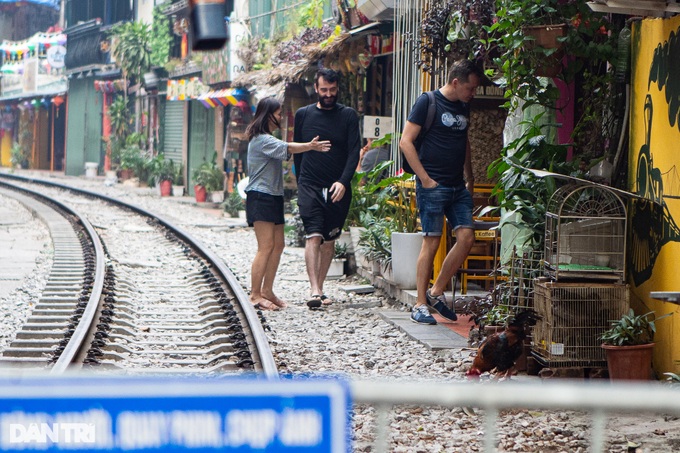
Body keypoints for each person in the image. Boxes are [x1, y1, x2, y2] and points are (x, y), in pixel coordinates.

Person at [399, 59, 484, 325]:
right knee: (431, 242)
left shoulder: (463, 106)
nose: (473, 94)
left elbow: (464, 140)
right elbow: (405, 141)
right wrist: (424, 179)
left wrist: (470, 176)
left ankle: (436, 292)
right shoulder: (428, 101)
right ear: (456, 82)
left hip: (458, 186)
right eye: (470, 88)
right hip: (433, 185)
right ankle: (420, 304)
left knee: (467, 237)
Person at [245, 97, 330, 310]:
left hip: (272, 196)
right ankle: (255, 295)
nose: (280, 117)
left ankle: (267, 290)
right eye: (278, 113)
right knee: (265, 247)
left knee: (278, 245)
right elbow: (288, 147)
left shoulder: (267, 138)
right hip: (260, 196)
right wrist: (311, 146)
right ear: (268, 115)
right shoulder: (262, 139)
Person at [293, 68, 361, 308]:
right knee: (313, 235)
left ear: (337, 89)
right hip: (309, 184)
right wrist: (302, 180)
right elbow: (298, 151)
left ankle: (320, 289)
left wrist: (343, 181)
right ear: (316, 88)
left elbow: (354, 152)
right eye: (324, 90)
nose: (328, 94)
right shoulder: (303, 115)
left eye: (332, 90)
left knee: (329, 240)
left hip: (338, 187)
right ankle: (313, 290)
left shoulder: (348, 116)